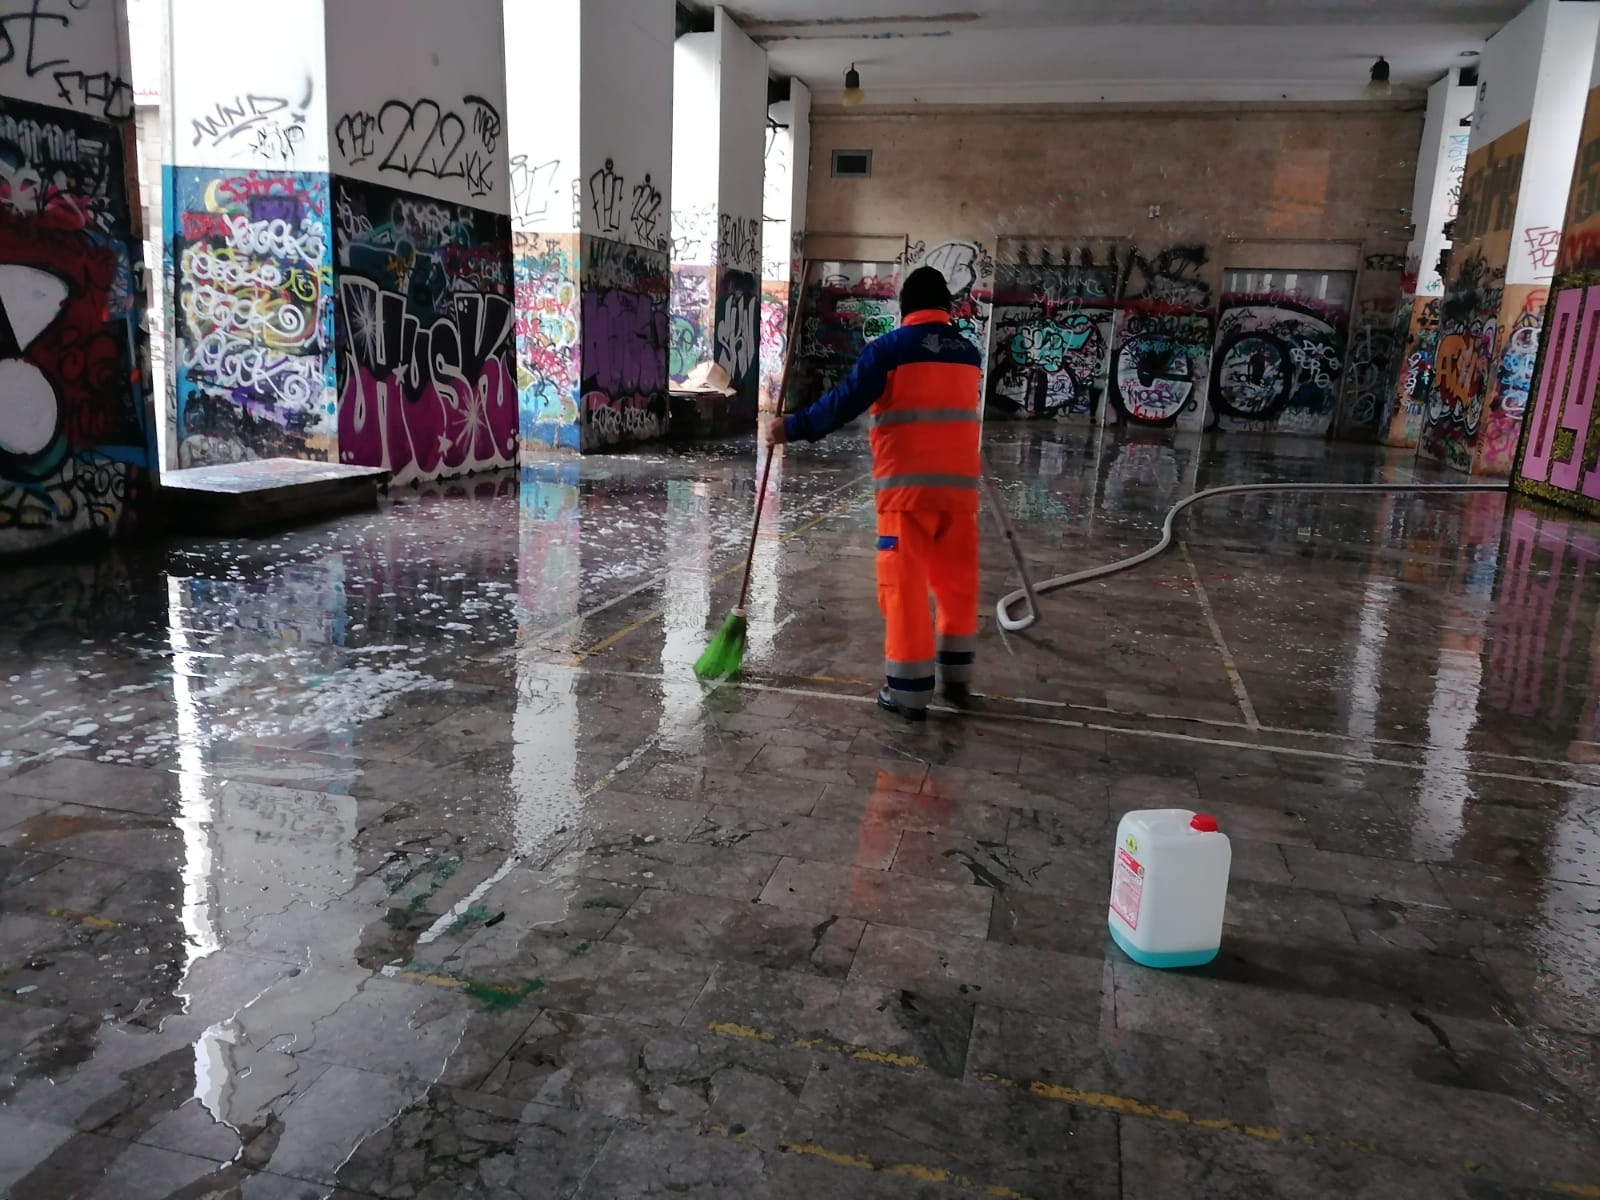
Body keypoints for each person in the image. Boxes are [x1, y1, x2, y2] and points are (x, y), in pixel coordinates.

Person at [762, 266, 982, 722]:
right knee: (956, 586)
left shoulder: (887, 351)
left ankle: (908, 691)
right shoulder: (968, 353)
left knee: (904, 591)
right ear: (946, 307)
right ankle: (957, 678)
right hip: (959, 497)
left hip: (907, 496)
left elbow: (844, 402)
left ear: (905, 307)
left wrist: (791, 427)